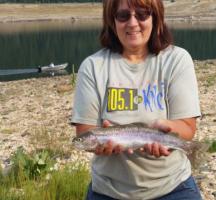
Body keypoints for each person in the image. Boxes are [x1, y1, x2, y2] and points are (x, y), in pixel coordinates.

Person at [71, 0, 202, 199]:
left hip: (174, 188)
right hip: (109, 192)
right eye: (123, 16)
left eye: (142, 14)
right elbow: (84, 132)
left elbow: (188, 128)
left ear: (156, 18)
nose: (133, 23)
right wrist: (100, 147)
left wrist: (167, 127)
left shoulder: (177, 60)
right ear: (112, 21)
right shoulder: (92, 67)